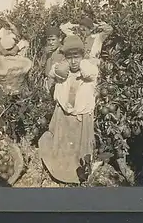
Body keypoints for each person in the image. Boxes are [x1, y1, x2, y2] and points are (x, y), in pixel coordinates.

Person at [39, 35, 99, 184]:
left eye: (76, 56)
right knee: (62, 147)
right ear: (65, 57)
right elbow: (52, 72)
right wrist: (61, 67)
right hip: (63, 114)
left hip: (81, 116)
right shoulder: (62, 70)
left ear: (82, 56)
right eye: (69, 57)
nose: (73, 61)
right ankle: (61, 174)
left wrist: (83, 62)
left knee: (79, 150)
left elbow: (90, 72)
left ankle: (77, 176)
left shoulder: (89, 68)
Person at [41, 26, 65, 93]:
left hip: (58, 83)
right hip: (47, 81)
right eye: (49, 40)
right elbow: (42, 65)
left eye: (53, 40)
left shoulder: (63, 51)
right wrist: (45, 55)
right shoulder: (47, 51)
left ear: (60, 39)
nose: (51, 43)